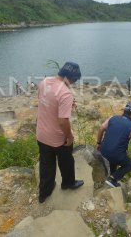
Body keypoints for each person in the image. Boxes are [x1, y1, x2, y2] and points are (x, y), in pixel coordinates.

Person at [36, 62, 84, 203]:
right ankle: (68, 183)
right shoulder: (65, 93)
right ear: (71, 78)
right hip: (58, 138)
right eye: (75, 80)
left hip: (41, 134)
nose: (74, 83)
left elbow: (44, 101)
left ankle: (44, 193)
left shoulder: (44, 82)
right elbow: (63, 121)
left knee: (46, 164)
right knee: (67, 161)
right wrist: (69, 136)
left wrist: (66, 104)